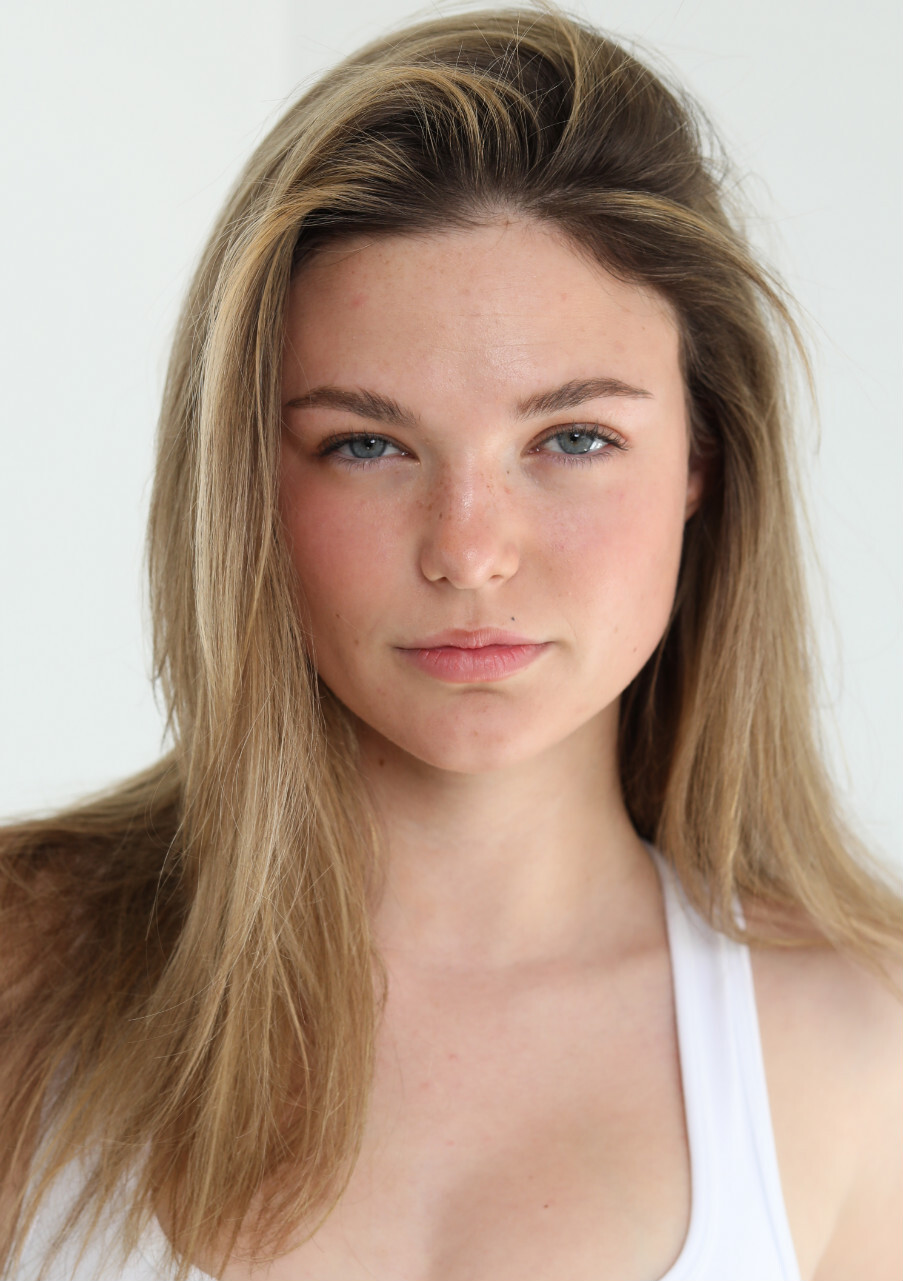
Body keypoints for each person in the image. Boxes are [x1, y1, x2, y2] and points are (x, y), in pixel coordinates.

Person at [1, 4, 901, 1279]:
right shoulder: (22, 980)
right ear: (249, 481)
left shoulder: (863, 1058)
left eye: (573, 438)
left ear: (704, 457)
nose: (469, 552)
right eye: (367, 445)